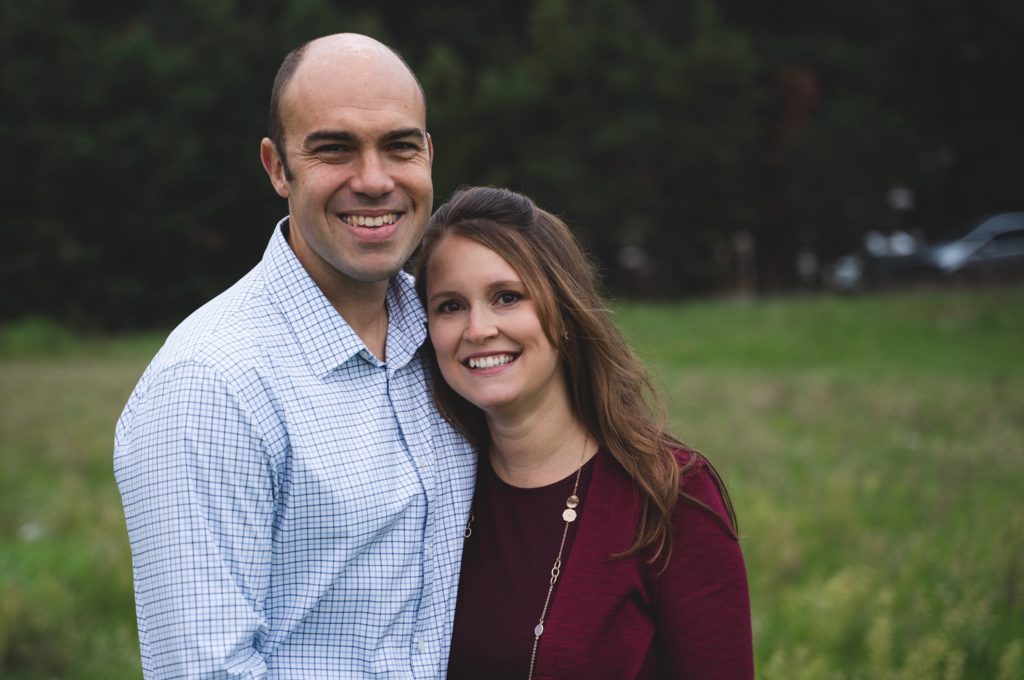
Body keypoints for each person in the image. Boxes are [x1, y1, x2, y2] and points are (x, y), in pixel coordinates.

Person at [113, 34, 475, 678]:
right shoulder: (209, 384)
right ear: (277, 167)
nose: (374, 180)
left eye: (400, 146)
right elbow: (206, 669)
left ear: (428, 156)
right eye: (334, 149)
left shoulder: (457, 340)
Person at [414, 186, 754, 679]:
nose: (478, 328)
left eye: (507, 297)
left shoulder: (670, 495)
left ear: (565, 310)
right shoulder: (431, 491)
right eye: (450, 306)